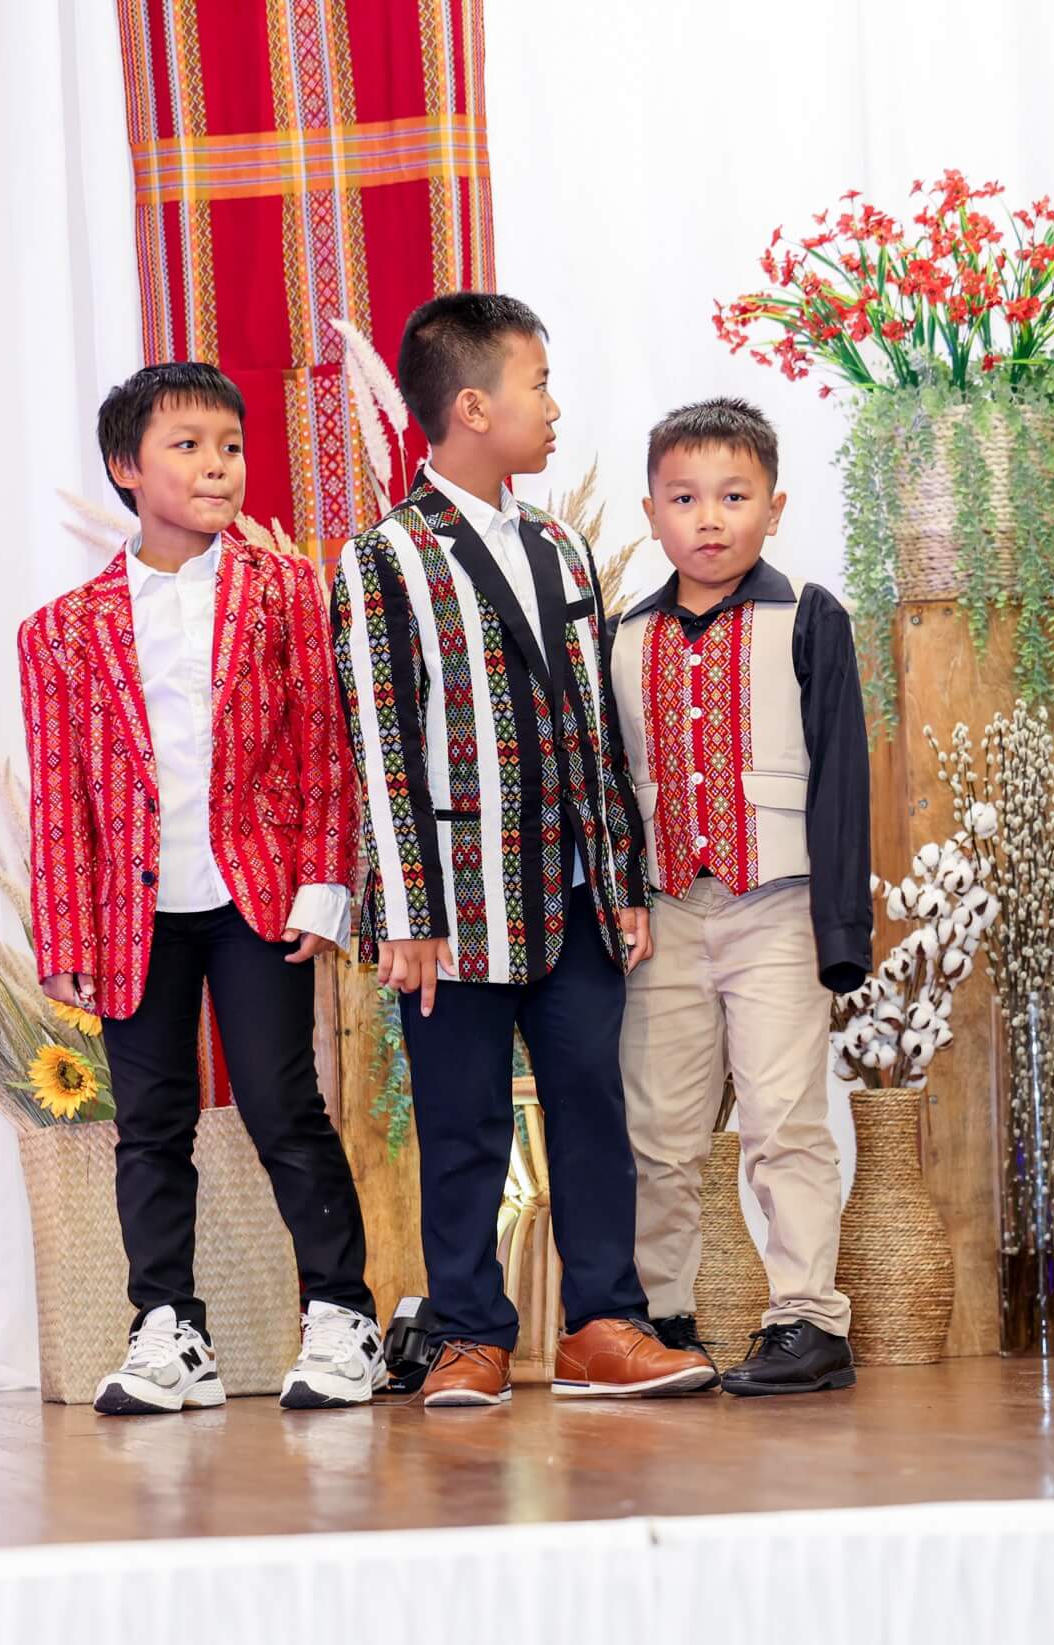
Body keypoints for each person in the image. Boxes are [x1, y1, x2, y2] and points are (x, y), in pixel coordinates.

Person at [331, 291, 716, 1408]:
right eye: (536, 384)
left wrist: (623, 877)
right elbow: (379, 743)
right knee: (461, 1124)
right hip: (456, 907)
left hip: (578, 892)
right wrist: (406, 910)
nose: (552, 408)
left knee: (594, 1109)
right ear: (470, 406)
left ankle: (603, 1325)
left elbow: (595, 723)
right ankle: (470, 1334)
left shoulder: (560, 545)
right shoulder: (385, 557)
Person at [17, 361, 383, 1415]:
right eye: (187, 446)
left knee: (281, 1103)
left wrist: (325, 883)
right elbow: (59, 793)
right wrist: (65, 936)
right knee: (150, 1122)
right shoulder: (62, 629)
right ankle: (167, 1329)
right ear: (127, 467)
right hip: (134, 916)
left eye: (230, 445)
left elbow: (325, 747)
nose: (217, 465)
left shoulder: (286, 590)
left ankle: (343, 1317)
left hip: (255, 895)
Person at [610, 397, 869, 1396]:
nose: (708, 518)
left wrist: (839, 930)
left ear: (774, 506)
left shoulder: (806, 617)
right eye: (684, 498)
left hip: (777, 905)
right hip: (667, 912)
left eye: (733, 496)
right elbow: (609, 784)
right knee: (659, 1131)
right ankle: (661, 1318)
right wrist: (618, 904)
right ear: (650, 512)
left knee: (784, 1118)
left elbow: (842, 777)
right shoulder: (623, 635)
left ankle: (808, 1317)